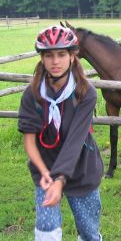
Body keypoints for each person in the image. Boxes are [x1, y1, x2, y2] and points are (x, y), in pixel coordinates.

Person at [18, 25, 103, 241]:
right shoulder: (32, 94)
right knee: (46, 230)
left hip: (81, 169)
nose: (55, 61)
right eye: (49, 55)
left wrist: (60, 179)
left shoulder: (85, 93)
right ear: (42, 59)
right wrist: (45, 173)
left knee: (89, 232)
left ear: (73, 56)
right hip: (45, 170)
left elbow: (75, 142)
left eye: (61, 54)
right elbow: (29, 141)